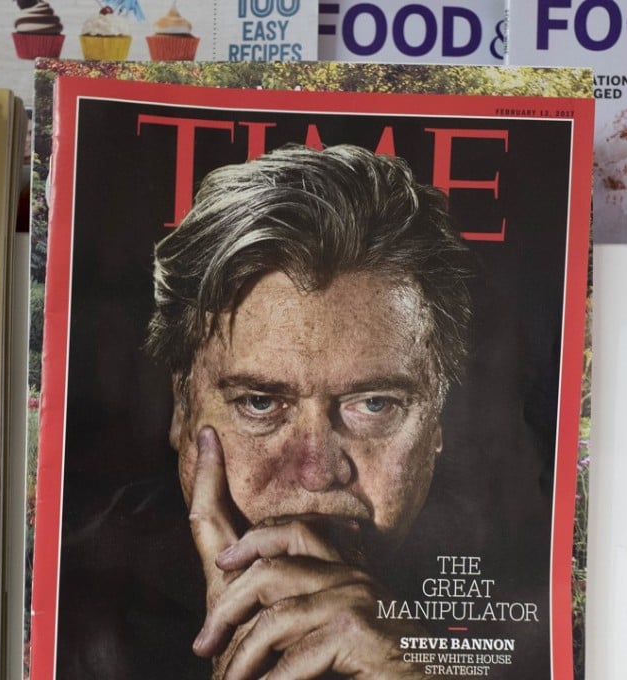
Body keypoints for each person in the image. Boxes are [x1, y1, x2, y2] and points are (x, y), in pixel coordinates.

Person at [143, 143, 475, 678]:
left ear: (436, 420)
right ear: (182, 408)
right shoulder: (80, 629)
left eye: (373, 404)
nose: (318, 472)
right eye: (259, 403)